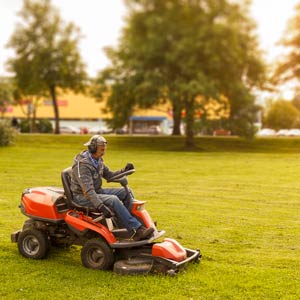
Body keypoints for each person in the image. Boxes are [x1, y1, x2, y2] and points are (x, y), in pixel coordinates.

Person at [70, 134, 154, 241]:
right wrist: (101, 207)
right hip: (82, 197)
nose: (103, 152)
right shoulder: (82, 165)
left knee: (126, 191)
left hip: (96, 191)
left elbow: (109, 175)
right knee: (113, 199)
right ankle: (136, 229)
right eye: (101, 149)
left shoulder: (98, 160)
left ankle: (133, 224)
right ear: (93, 148)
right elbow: (88, 192)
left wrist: (124, 171)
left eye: (104, 149)